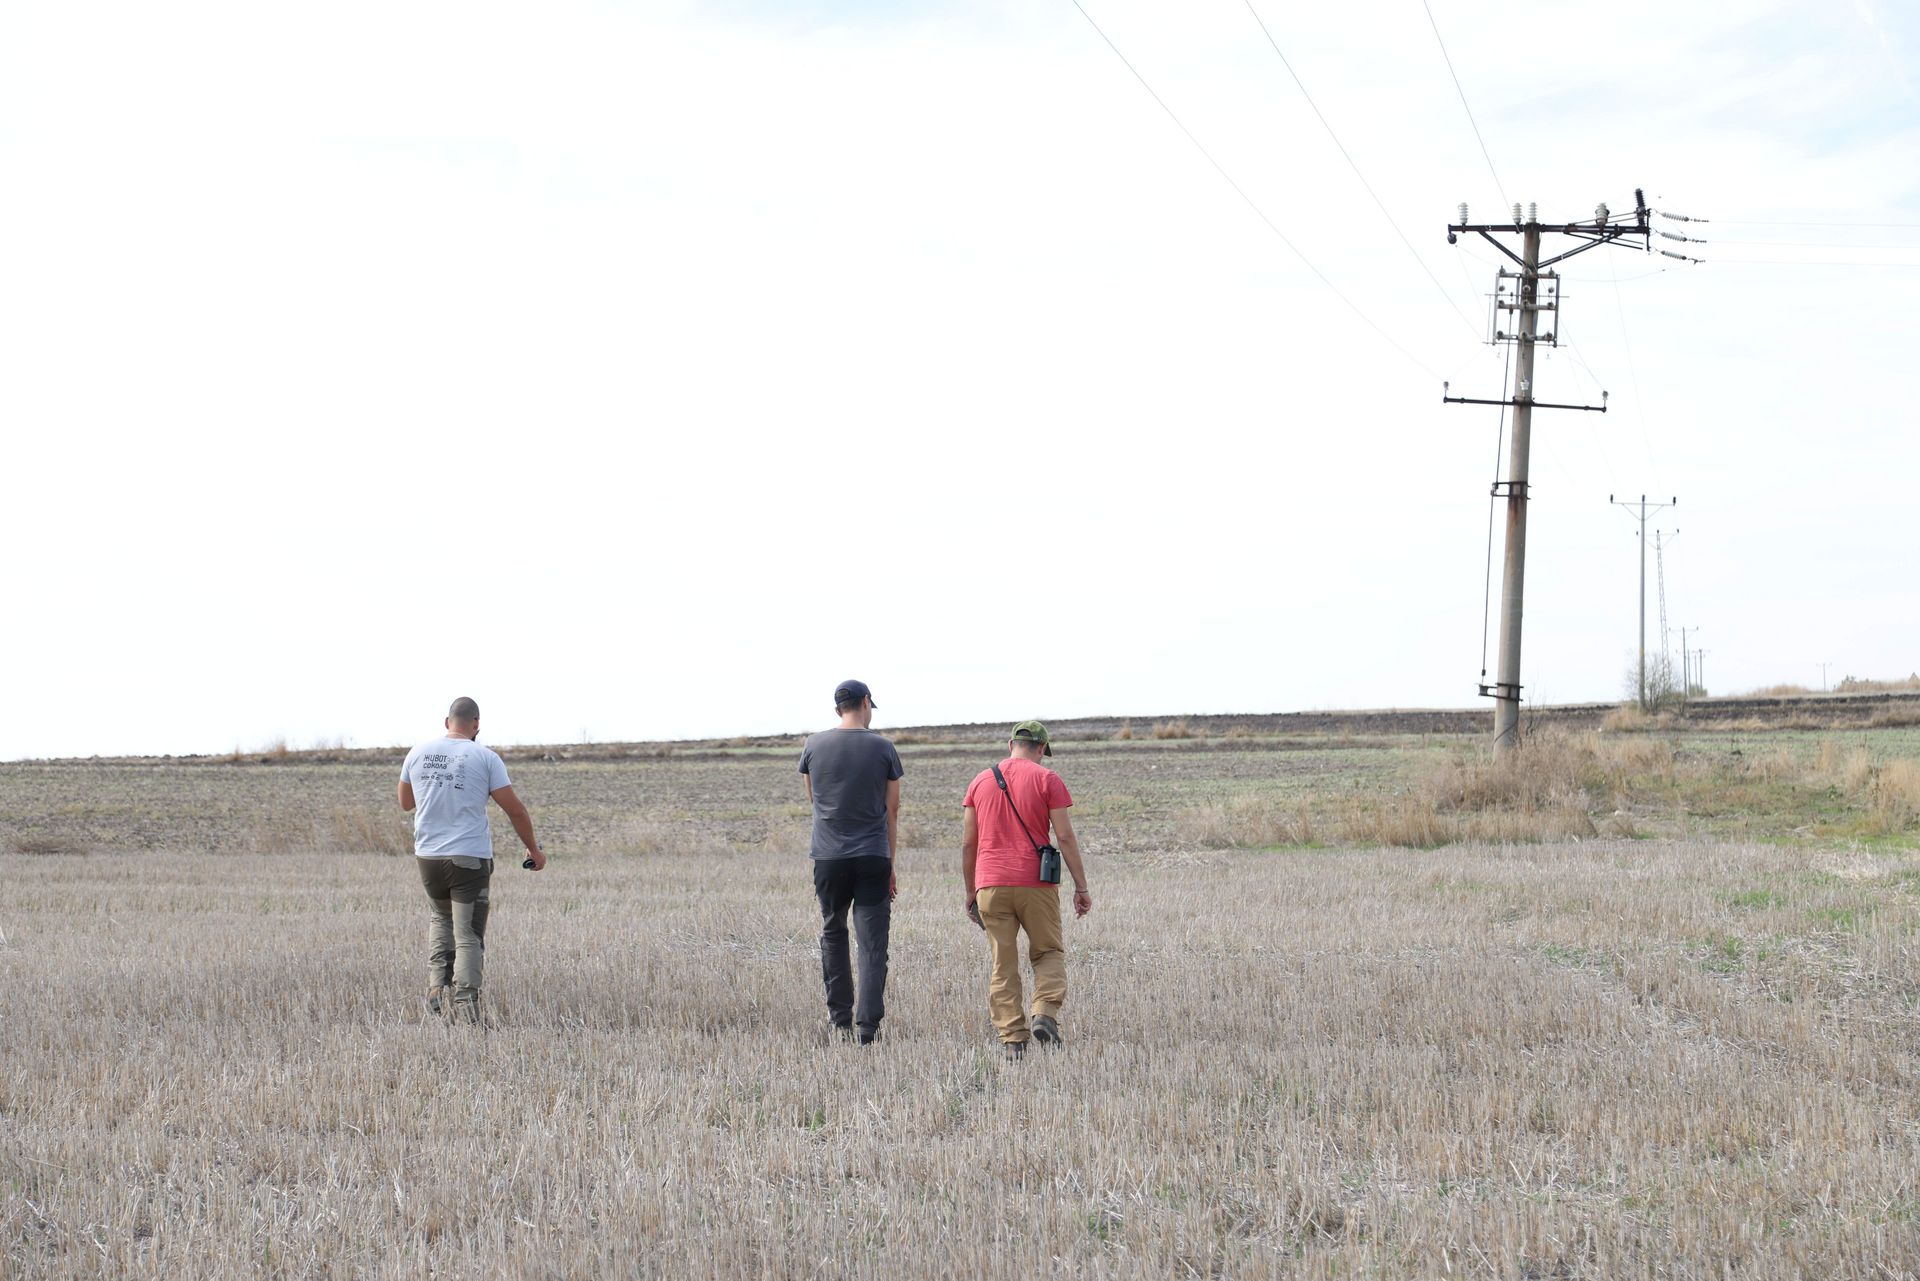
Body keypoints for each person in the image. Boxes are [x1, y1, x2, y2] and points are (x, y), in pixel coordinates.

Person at [398, 696, 546, 1023]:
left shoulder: (417, 753)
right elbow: (516, 810)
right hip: (469, 858)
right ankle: (467, 1008)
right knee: (468, 934)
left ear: (446, 721)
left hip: (428, 856)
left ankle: (438, 990)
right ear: (476, 724)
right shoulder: (485, 757)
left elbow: (406, 803)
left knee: (441, 919)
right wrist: (533, 849)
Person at [960, 720, 1091, 1057]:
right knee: (1048, 952)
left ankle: (1013, 1039)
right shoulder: (1047, 778)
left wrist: (971, 891)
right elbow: (1064, 837)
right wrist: (1081, 887)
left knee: (1002, 962)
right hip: (1035, 883)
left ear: (1010, 745)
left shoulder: (979, 781)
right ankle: (1044, 1013)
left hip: (990, 883)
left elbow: (968, 844)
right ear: (1041, 748)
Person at [798, 679, 902, 1045]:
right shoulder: (884, 747)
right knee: (872, 944)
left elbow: (814, 798)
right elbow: (892, 810)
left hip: (828, 857)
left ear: (837, 708)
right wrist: (890, 863)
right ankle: (867, 1027)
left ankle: (839, 1020)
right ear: (866, 702)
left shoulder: (813, 745)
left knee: (833, 933)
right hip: (872, 855)